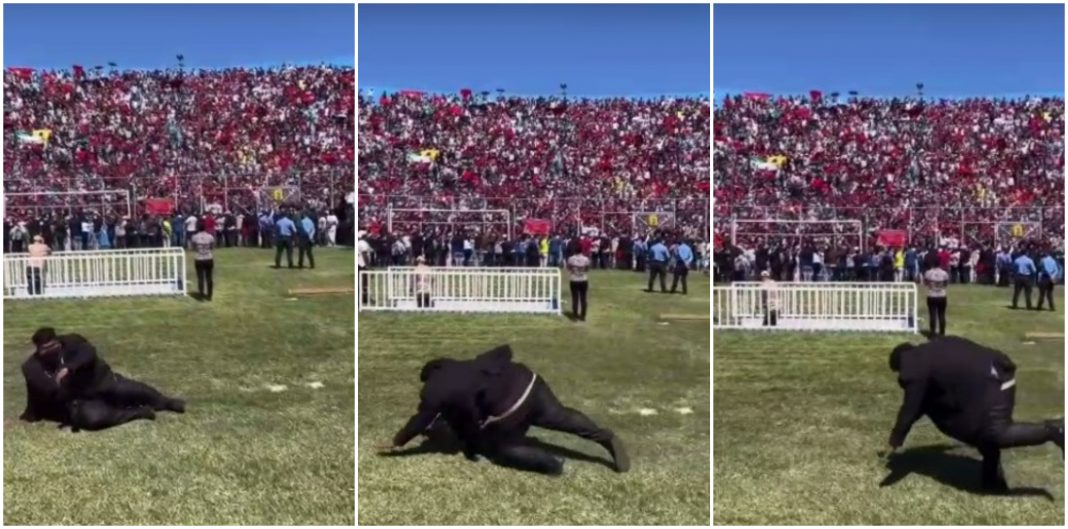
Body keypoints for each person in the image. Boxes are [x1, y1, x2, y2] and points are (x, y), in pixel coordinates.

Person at [378, 345, 629, 476]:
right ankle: (605, 437)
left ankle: (551, 464)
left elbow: (421, 420)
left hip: (511, 407)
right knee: (561, 416)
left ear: (427, 378)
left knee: (500, 448)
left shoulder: (434, 390)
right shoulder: (460, 366)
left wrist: (397, 441)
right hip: (529, 380)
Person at [886, 337, 1064, 491]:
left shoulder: (914, 364)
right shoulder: (932, 351)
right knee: (978, 427)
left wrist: (897, 436)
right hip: (993, 373)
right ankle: (992, 481)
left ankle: (1054, 430)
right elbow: (922, 404)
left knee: (995, 432)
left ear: (899, 364)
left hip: (993, 381)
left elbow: (912, 404)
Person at [20, 328, 186, 432]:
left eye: (52, 347)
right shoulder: (31, 367)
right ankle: (136, 413)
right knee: (94, 419)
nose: (50, 352)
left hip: (101, 382)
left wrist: (69, 367)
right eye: (45, 350)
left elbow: (88, 353)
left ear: (58, 342)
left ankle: (166, 402)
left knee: (133, 390)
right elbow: (45, 390)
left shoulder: (73, 341)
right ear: (38, 350)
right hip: (78, 399)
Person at [923, 255, 950, 336]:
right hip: (942, 295)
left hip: (932, 295)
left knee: (932, 315)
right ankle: (942, 333)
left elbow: (925, 283)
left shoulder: (928, 273)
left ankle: (932, 333)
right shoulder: (944, 273)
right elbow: (946, 284)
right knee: (942, 315)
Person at [565, 241, 591, 321]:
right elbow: (587, 268)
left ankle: (575, 315)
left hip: (574, 279)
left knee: (575, 298)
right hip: (583, 279)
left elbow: (568, 267)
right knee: (583, 298)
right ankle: (583, 315)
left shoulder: (571, 259)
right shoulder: (586, 259)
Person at [190, 220, 216, 301]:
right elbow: (212, 246)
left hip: (199, 258)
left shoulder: (194, 237)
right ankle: (209, 295)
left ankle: (201, 295)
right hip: (208, 258)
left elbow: (193, 247)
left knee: (200, 277)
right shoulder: (210, 236)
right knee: (209, 277)